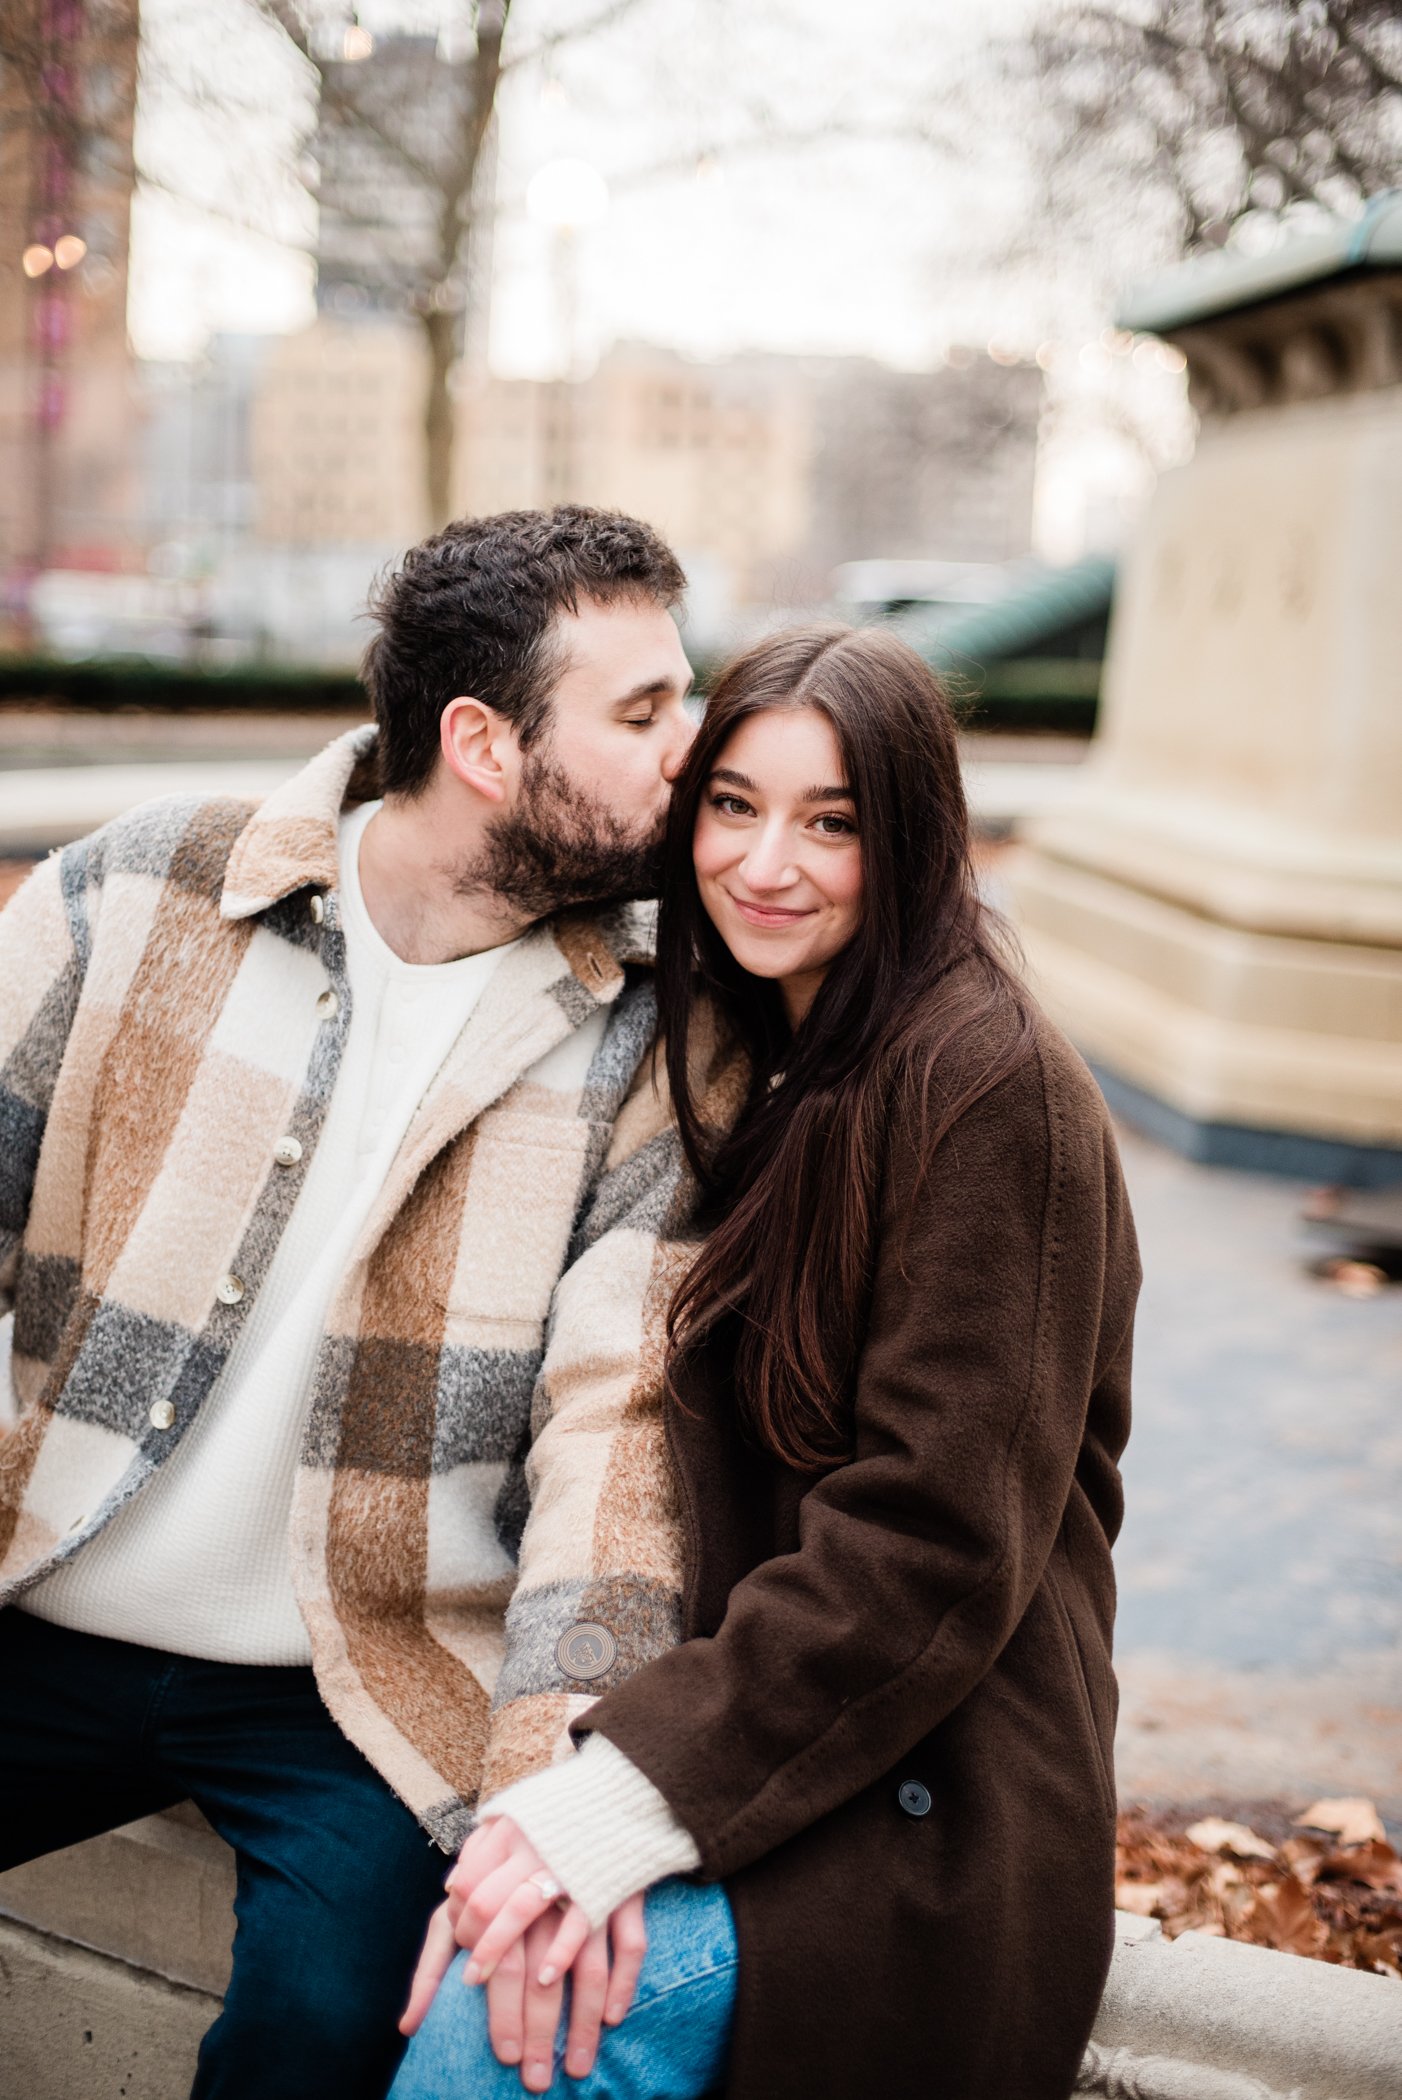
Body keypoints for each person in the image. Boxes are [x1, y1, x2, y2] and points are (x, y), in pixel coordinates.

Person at [0, 505, 705, 2100]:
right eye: (643, 710)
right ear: (482, 742)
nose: (691, 745)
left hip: (364, 1685)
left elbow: (621, 1431)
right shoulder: (141, 896)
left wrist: (552, 1782)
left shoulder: (659, 1034)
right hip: (36, 1596)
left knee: (326, 2032)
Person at [392, 623, 1140, 2100]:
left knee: (508, 2010)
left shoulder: (985, 1085)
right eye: (730, 806)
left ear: (914, 835)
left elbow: (931, 1546)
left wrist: (624, 1804)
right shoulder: (759, 1041)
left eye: (832, 822)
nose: (764, 864)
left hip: (931, 1777)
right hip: (771, 1721)